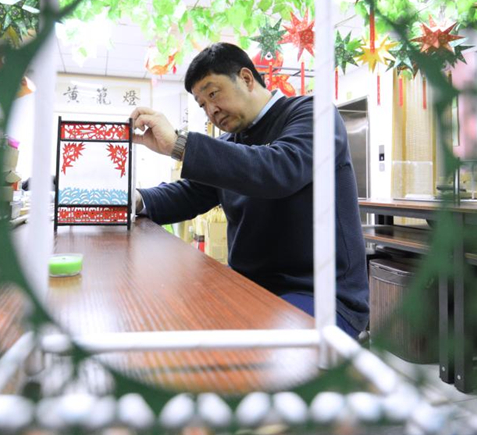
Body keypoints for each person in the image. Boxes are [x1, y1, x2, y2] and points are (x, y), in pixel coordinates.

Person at [130, 42, 368, 338]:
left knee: (255, 358)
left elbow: (279, 169)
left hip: (319, 293)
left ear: (245, 78)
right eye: (202, 104)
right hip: (250, 285)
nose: (211, 111)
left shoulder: (313, 115)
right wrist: (135, 199)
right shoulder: (232, 144)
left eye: (213, 93)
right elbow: (190, 193)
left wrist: (180, 145)